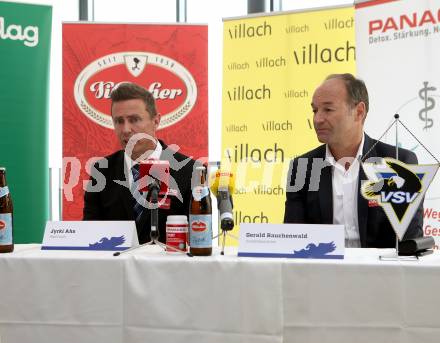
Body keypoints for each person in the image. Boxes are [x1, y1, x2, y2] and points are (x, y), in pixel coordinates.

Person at [283, 73, 423, 248]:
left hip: (382, 273)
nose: (317, 119)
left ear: (359, 111)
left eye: (328, 109)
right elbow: (292, 240)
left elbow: (410, 241)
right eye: (315, 110)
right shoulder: (302, 167)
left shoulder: (399, 162)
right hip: (321, 272)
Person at [83, 82, 196, 244]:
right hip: (115, 267)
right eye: (119, 121)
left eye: (134, 120)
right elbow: (89, 233)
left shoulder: (191, 171)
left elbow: (198, 238)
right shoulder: (101, 170)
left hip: (169, 267)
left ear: (156, 121)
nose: (126, 129)